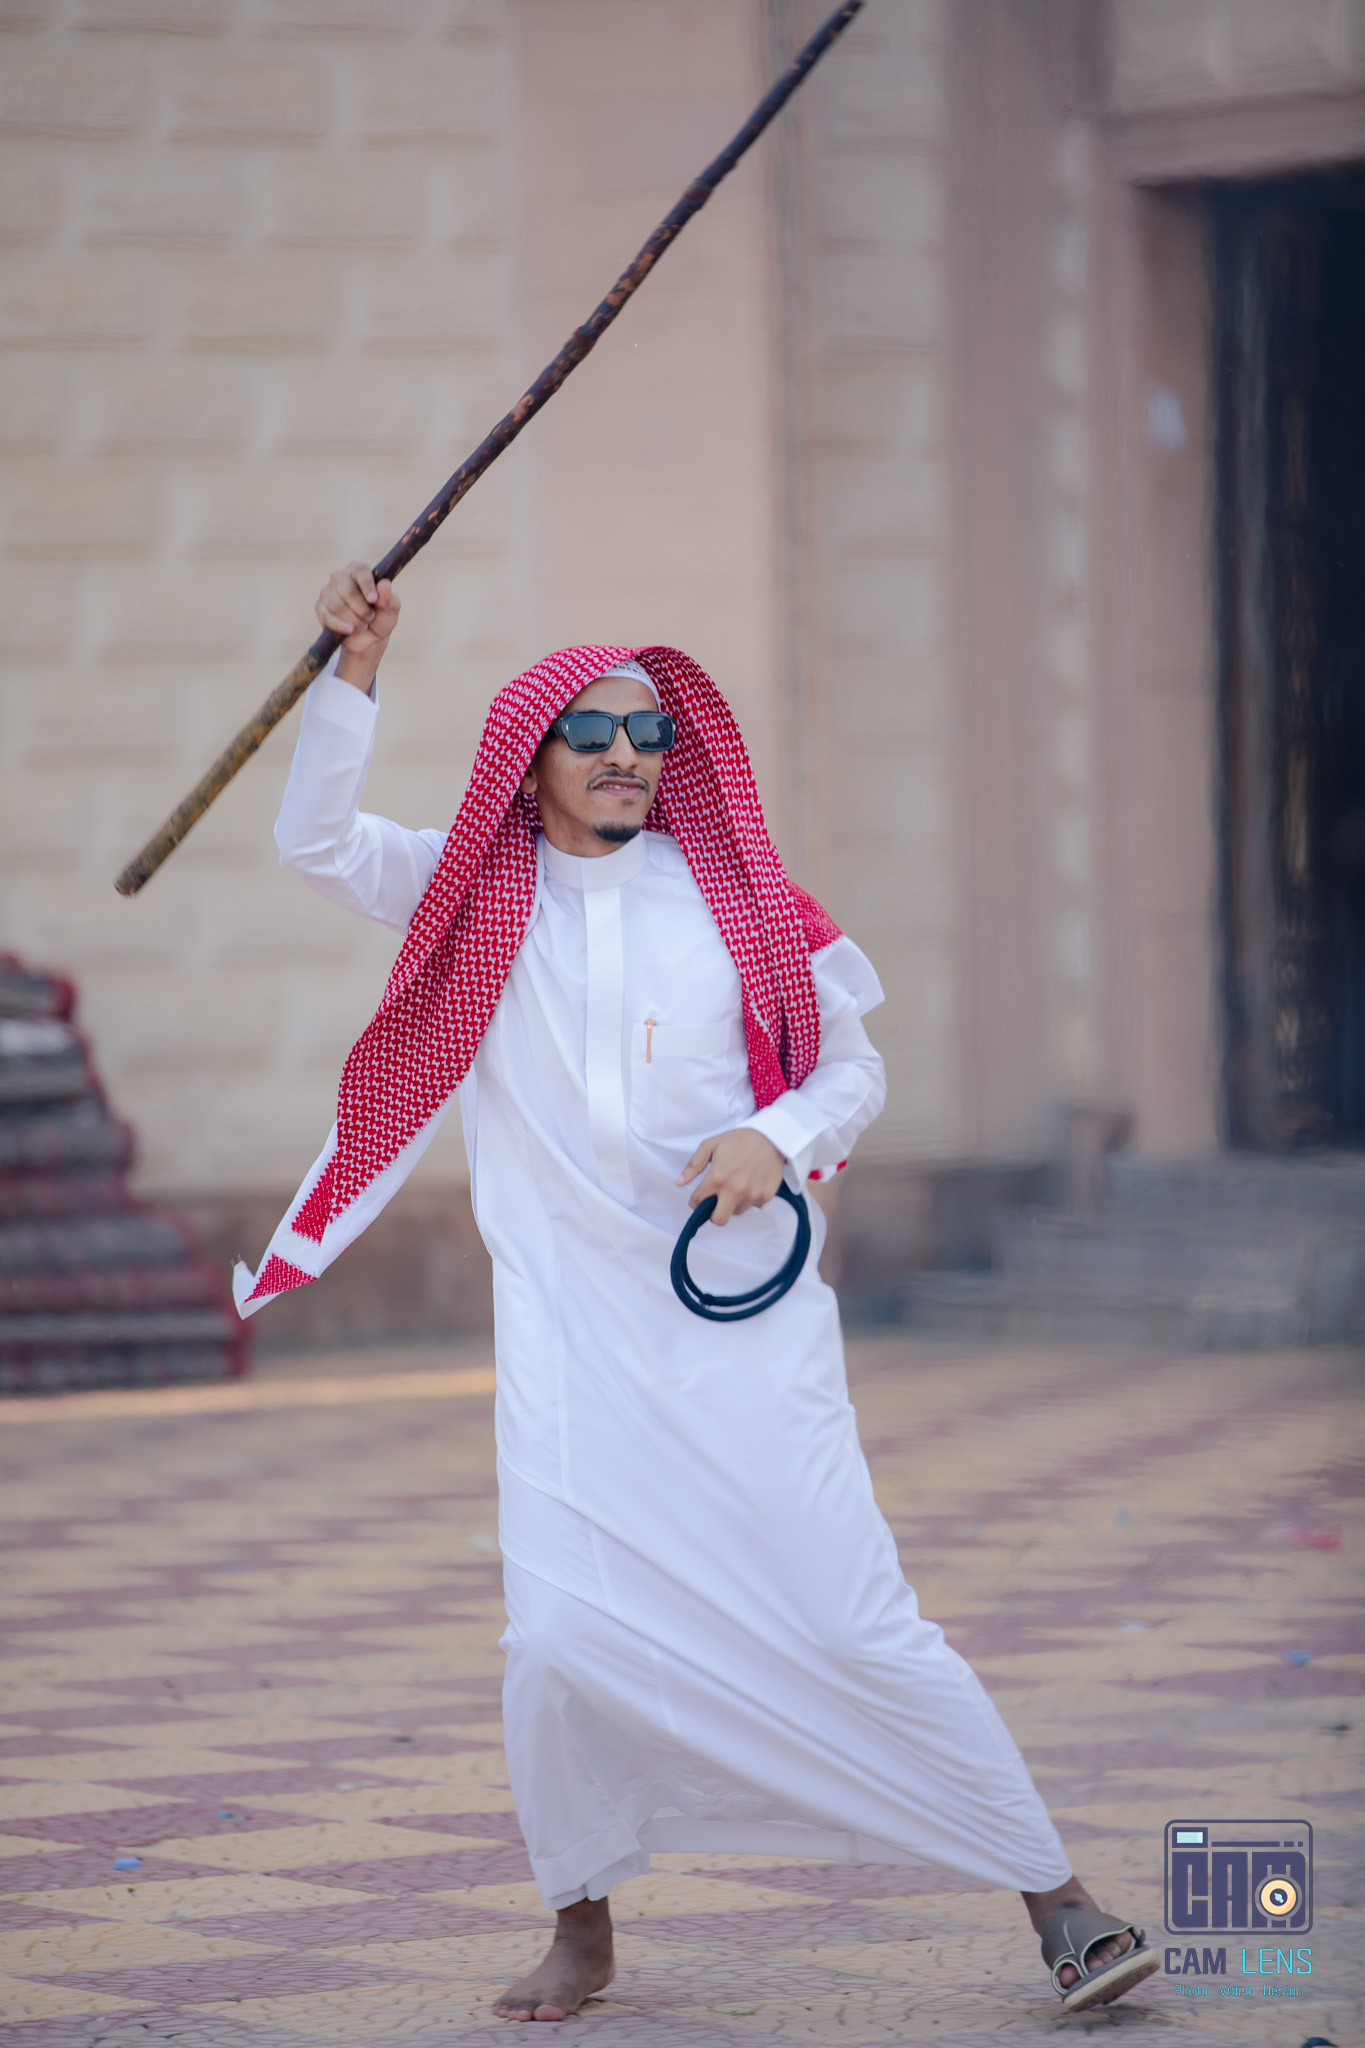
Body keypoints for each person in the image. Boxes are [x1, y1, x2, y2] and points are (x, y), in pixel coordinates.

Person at [236, 562, 1162, 2024]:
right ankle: (582, 1921)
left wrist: (775, 1135)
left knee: (853, 1620)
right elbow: (314, 843)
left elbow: (853, 1067)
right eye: (593, 731)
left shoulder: (742, 903)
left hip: (747, 1329)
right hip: (569, 1338)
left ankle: (1056, 1895)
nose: (626, 754)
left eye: (651, 733)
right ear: (530, 754)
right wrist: (354, 667)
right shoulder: (471, 892)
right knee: (558, 1643)